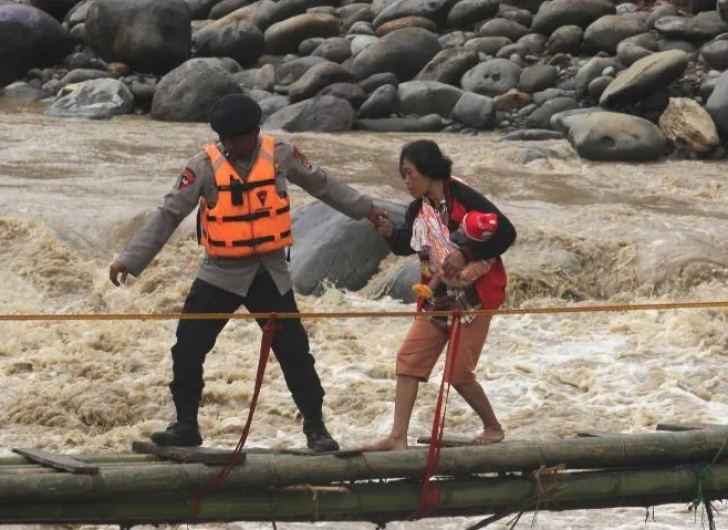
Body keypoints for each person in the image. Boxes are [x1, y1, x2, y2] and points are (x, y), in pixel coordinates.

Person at [109, 94, 387, 450]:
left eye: (236, 138)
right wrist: (129, 259)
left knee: (294, 352)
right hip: (219, 272)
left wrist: (368, 209)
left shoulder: (282, 154)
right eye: (222, 138)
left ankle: (316, 428)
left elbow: (324, 185)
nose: (228, 145)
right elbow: (169, 213)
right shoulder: (202, 166)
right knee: (188, 349)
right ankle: (186, 426)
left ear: (254, 132)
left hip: (268, 272)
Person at [363, 139, 516, 452]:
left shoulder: (460, 194)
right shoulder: (417, 208)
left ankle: (493, 427)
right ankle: (397, 438)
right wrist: (390, 233)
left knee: (458, 374)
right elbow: (408, 244)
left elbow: (505, 232)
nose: (406, 181)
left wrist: (466, 252)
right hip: (438, 293)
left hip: (474, 292)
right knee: (408, 359)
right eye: (403, 175)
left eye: (410, 173)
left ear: (428, 169)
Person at [411, 209, 500, 299]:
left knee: (445, 268)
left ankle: (429, 288)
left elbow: (469, 272)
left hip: (463, 276)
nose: (459, 231)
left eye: (463, 234)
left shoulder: (486, 257)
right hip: (463, 262)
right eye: (460, 226)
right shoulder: (480, 235)